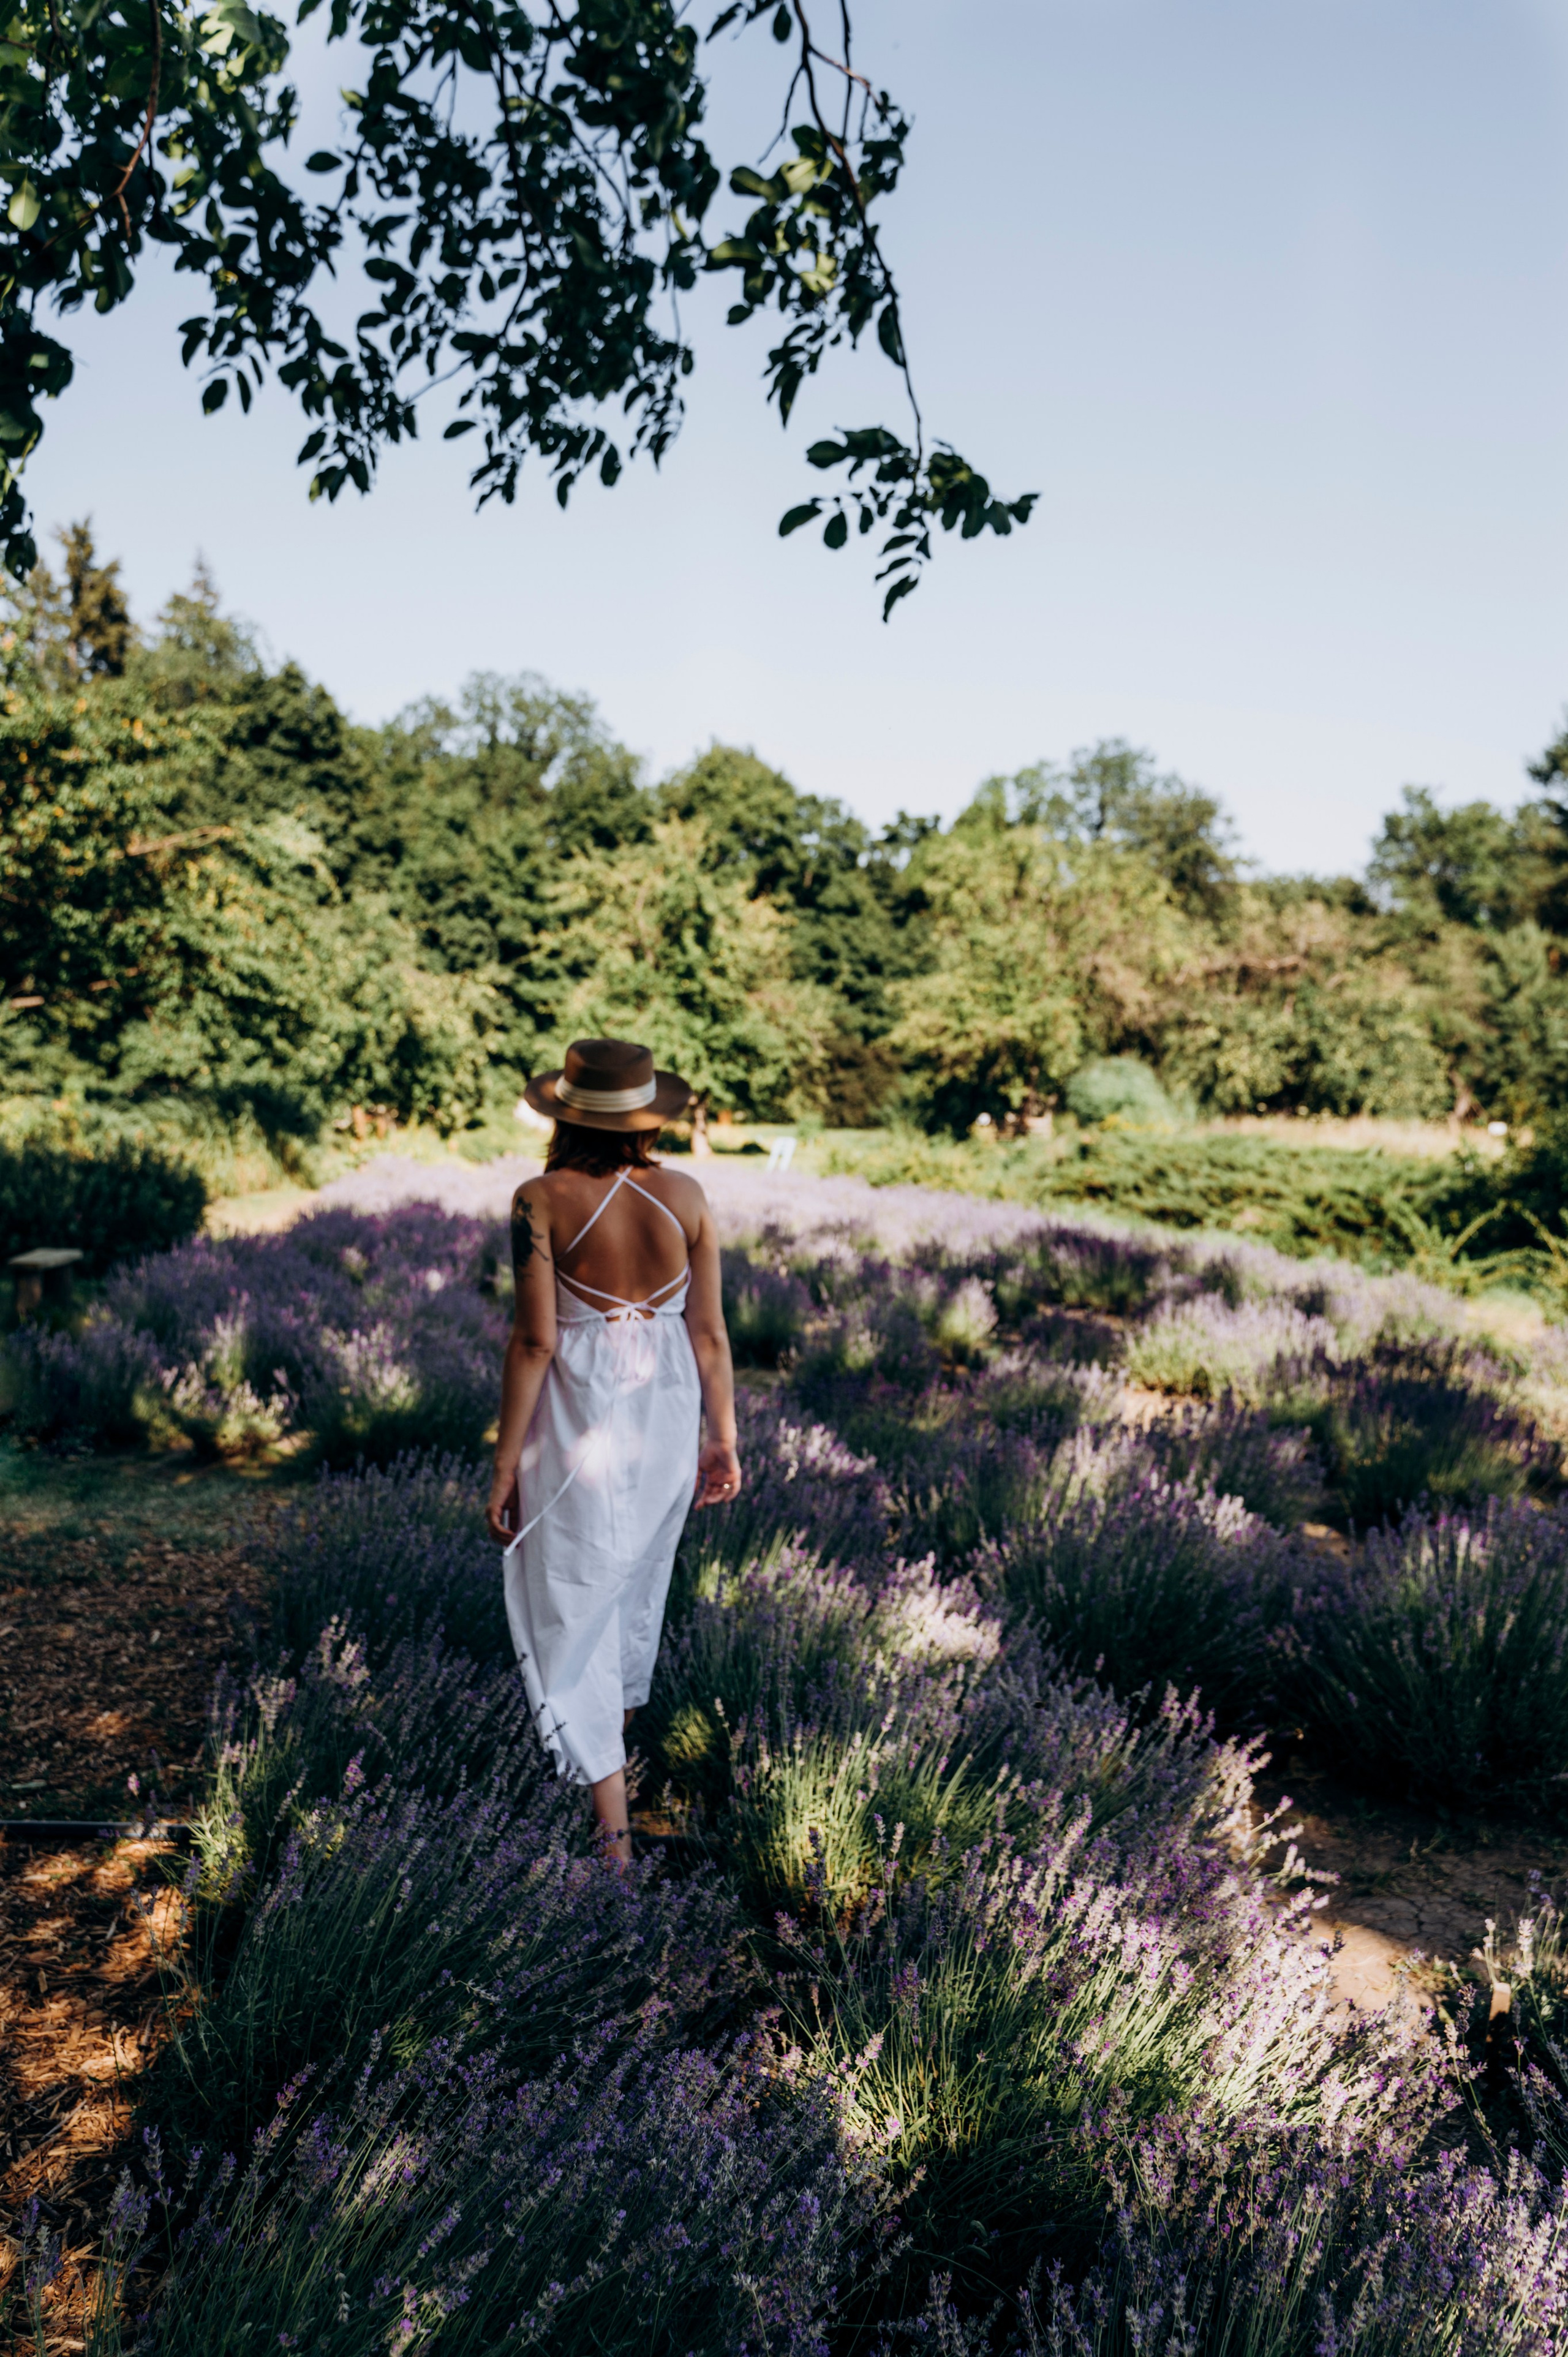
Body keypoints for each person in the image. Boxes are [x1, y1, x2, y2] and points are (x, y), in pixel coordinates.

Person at [486, 1038, 742, 1863]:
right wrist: (723, 1439)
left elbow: (533, 1344)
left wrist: (502, 1466)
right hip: (663, 1418)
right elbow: (709, 1333)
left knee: (574, 1604)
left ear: (565, 1112)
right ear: (645, 1117)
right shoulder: (688, 1195)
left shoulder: (538, 1199)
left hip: (578, 1420)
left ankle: (612, 1840)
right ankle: (613, 1784)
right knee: (630, 1596)